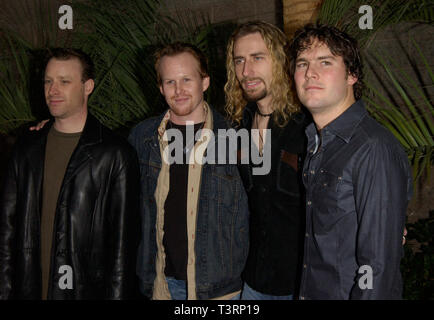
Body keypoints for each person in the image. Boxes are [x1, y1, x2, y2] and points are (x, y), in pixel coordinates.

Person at [0, 48, 140, 299]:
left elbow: (123, 248)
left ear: (88, 87)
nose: (53, 90)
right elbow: (7, 231)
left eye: (64, 82)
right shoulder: (26, 147)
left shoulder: (116, 153)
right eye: (48, 81)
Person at [289, 23, 413, 299]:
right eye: (302, 63)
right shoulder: (316, 142)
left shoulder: (372, 148)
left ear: (352, 74)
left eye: (325, 62)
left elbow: (377, 267)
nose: (310, 72)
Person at [128, 42, 249, 300]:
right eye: (170, 82)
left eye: (186, 79)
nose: (179, 90)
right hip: (161, 286)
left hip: (219, 290)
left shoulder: (235, 137)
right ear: (160, 87)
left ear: (204, 81)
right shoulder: (142, 138)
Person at [225, 21, 308, 300]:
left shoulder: (307, 126)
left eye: (258, 58)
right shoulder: (238, 126)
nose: (246, 72)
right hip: (253, 281)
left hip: (301, 284)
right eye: (239, 61)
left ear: (281, 60)